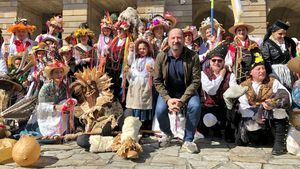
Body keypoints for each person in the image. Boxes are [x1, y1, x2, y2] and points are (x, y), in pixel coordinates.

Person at [154, 28, 201, 153]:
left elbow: (196, 81)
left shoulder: (193, 56)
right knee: (160, 110)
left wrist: (182, 100)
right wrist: (168, 100)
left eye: (179, 37)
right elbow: (157, 81)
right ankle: (168, 133)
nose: (176, 40)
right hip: (168, 92)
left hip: (187, 91)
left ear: (184, 39)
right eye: (173, 38)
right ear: (168, 40)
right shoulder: (161, 56)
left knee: (195, 106)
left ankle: (188, 139)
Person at [237, 53, 291, 155]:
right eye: (258, 69)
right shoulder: (243, 86)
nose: (262, 71)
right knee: (252, 136)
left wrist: (272, 104)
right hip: (253, 119)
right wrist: (256, 115)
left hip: (269, 115)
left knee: (280, 111)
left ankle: (279, 144)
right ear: (251, 72)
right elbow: (242, 106)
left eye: (263, 68)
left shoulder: (273, 82)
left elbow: (285, 96)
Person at [200, 40, 237, 141]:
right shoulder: (203, 73)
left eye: (220, 61)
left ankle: (227, 130)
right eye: (214, 60)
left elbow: (233, 91)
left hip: (224, 107)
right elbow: (211, 90)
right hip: (209, 107)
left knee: (233, 111)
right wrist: (221, 75)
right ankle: (215, 128)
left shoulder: (231, 75)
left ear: (224, 62)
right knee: (208, 119)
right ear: (210, 62)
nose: (216, 63)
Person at [36, 60, 76, 138]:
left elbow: (68, 99)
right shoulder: (46, 88)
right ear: (52, 75)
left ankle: (67, 129)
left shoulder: (64, 86)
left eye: (61, 72)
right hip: (48, 114)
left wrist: (70, 104)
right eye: (56, 72)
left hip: (60, 113)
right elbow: (41, 107)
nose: (59, 74)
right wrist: (56, 107)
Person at [125, 38, 155, 133]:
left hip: (144, 85)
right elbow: (132, 72)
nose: (142, 50)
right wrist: (128, 72)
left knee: (143, 105)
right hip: (135, 86)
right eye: (140, 49)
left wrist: (151, 72)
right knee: (135, 105)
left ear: (148, 49)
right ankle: (135, 125)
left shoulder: (150, 60)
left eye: (144, 48)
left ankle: (144, 126)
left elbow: (154, 73)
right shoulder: (135, 60)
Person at [260, 20, 296, 89]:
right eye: (280, 34)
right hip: (274, 73)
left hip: (289, 73)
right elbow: (266, 62)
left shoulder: (289, 41)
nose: (283, 36)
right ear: (273, 32)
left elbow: (293, 56)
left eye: (284, 34)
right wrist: (271, 76)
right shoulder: (266, 44)